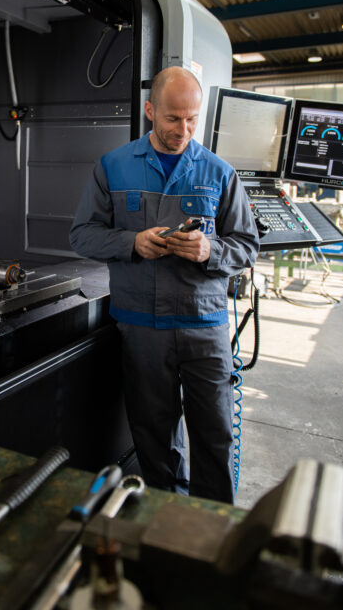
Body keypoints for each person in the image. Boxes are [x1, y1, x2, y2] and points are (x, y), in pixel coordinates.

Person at [69, 67, 259, 502]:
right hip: (141, 325)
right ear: (151, 111)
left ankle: (213, 528)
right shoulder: (113, 167)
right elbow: (81, 234)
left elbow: (247, 246)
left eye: (192, 119)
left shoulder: (219, 172)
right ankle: (166, 521)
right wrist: (131, 241)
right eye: (174, 118)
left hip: (204, 325)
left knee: (214, 433)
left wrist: (209, 250)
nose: (183, 130)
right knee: (154, 435)